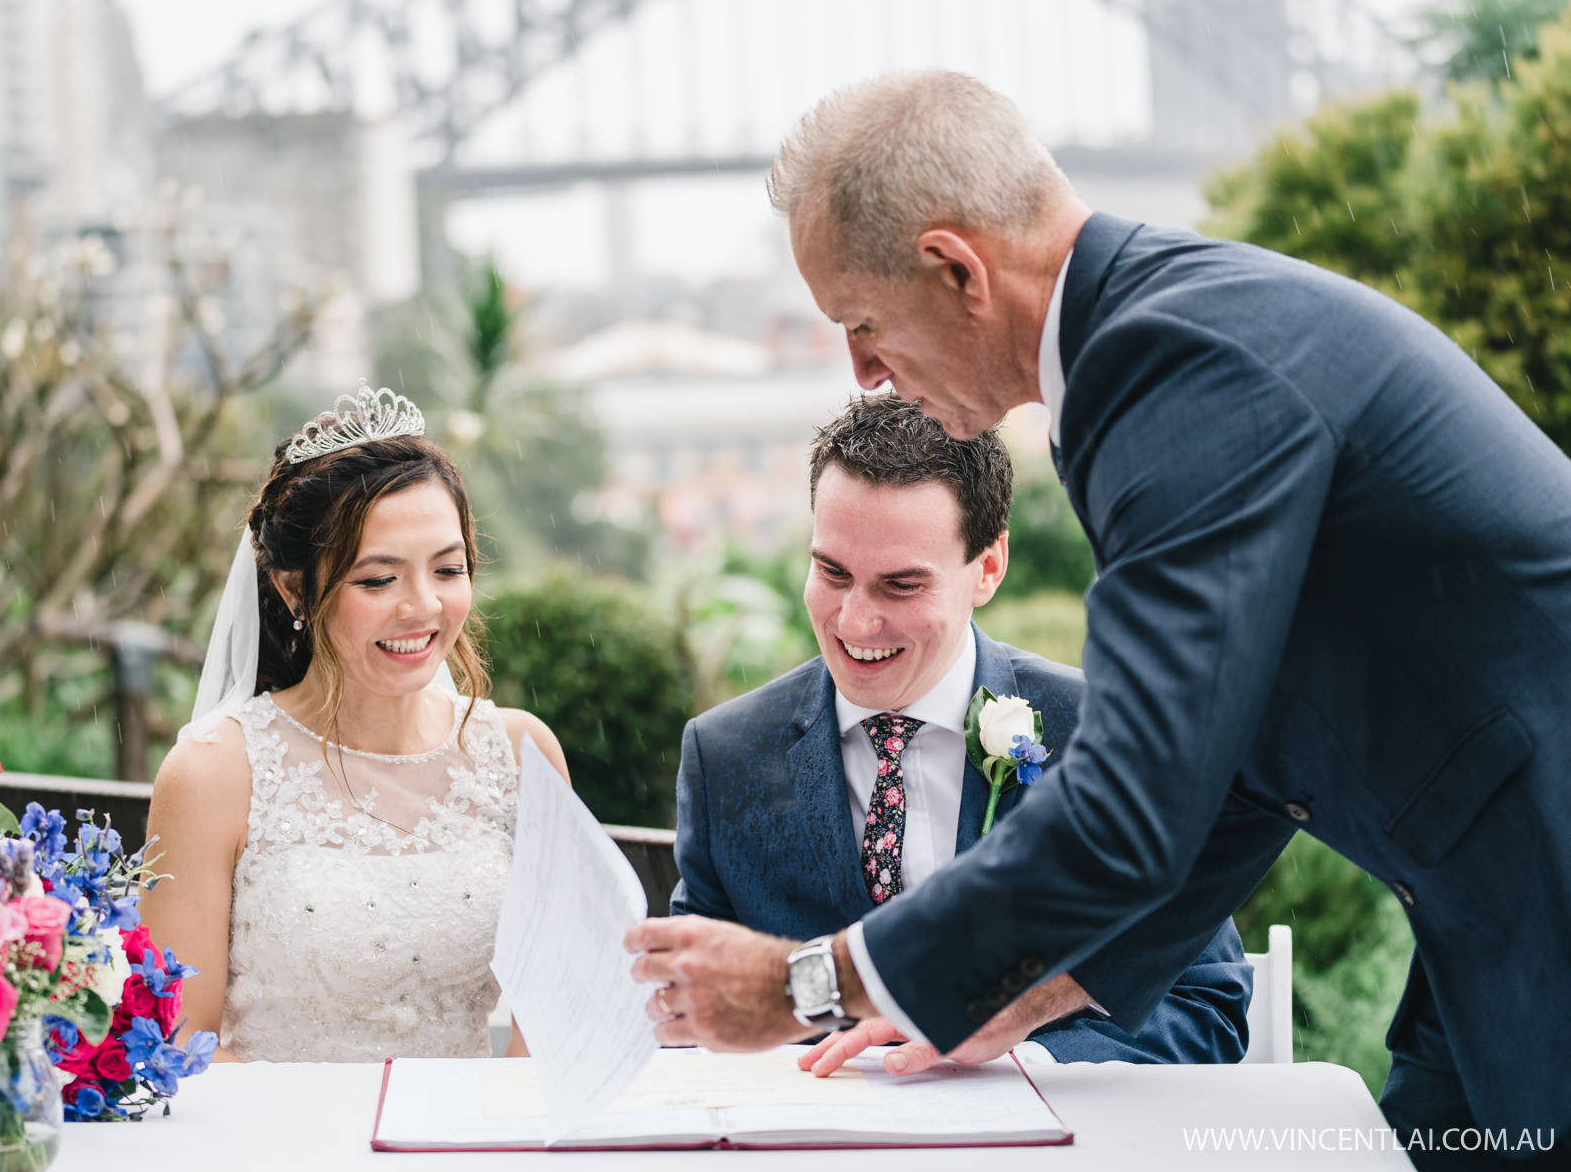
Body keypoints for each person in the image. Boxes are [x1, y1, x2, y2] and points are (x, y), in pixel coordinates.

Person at [625, 70, 1571, 1164]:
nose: (866, 372)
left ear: (955, 269)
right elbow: (1237, 766)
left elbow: (1135, 802)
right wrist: (1004, 1002)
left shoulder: (1174, 371)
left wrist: (810, 983)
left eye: (864, 322)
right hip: (1494, 920)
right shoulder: (1149, 357)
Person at [670, 393, 1251, 1065]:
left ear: (989, 568)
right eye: (832, 572)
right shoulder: (726, 755)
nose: (855, 623)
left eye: (901, 586)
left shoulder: (1104, 734)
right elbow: (689, 1020)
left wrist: (1013, 1062)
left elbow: (1206, 1009)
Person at [143, 384, 570, 1063]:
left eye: (448, 569)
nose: (422, 606)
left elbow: (551, 1026)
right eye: (377, 580)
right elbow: (180, 1041)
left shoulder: (521, 753)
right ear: (294, 588)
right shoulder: (212, 773)